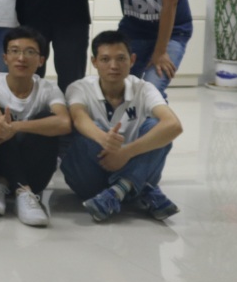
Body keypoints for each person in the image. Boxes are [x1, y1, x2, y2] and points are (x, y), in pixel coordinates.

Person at [61, 30, 184, 221]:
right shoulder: (79, 87)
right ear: (94, 62)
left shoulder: (143, 88)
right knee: (89, 130)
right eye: (105, 59)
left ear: (132, 60)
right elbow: (79, 118)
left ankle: (117, 191)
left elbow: (174, 125)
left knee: (158, 127)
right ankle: (137, 187)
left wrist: (125, 153)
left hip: (126, 162)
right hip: (90, 179)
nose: (113, 66)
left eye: (121, 59)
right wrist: (105, 140)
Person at [0, 27, 72, 227]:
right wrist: (1, 122)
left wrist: (16, 127)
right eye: (15, 51)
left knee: (47, 118)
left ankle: (7, 185)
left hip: (35, 174)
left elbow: (64, 123)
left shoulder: (48, 88)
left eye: (30, 52)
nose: (21, 58)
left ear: (41, 60)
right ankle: (19, 189)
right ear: (5, 58)